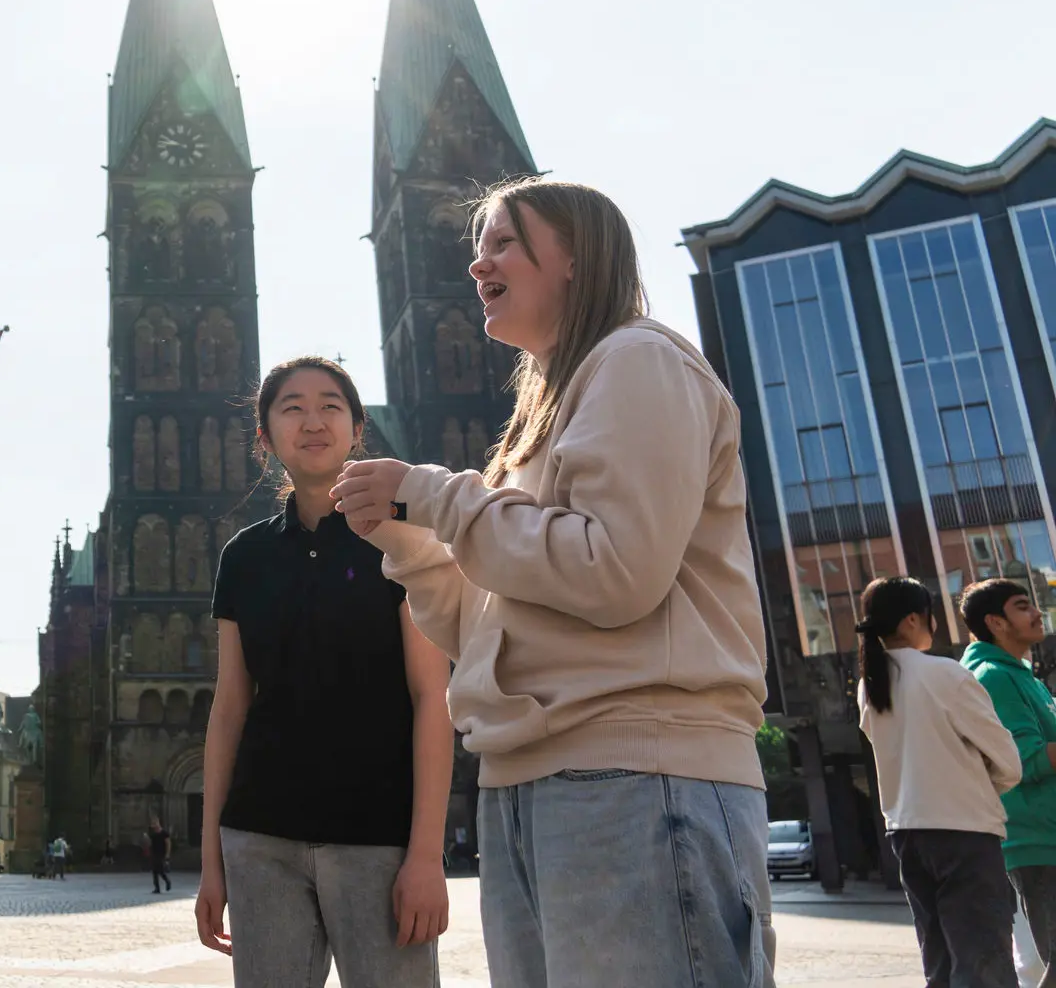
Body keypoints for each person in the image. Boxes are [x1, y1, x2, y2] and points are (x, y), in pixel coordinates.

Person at [333, 178, 775, 988]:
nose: (478, 265)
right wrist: (412, 544)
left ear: (575, 256)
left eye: (503, 242)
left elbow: (616, 572)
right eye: (480, 248)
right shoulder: (543, 415)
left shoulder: (638, 359)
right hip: (529, 782)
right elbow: (489, 629)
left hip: (636, 771)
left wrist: (434, 495)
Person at [198, 357, 452, 987]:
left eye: (330, 406)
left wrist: (426, 855)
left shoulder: (402, 538)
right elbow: (230, 710)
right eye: (293, 408)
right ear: (265, 436)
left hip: (379, 840)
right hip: (260, 839)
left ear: (357, 428)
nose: (312, 421)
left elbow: (431, 696)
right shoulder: (244, 556)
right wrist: (211, 860)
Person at [856, 575, 1020, 987]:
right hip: (964, 830)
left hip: (907, 832)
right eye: (930, 616)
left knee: (940, 962)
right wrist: (980, 784)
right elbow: (1008, 761)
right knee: (983, 960)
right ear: (913, 620)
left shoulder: (870, 684)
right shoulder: (946, 674)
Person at [960, 578, 1056, 985]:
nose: (1037, 613)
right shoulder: (993, 677)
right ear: (996, 623)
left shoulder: (1021, 675)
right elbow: (1024, 759)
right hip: (1038, 842)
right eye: (1022, 606)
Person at [147, 817, 173, 895]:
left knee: (160, 870)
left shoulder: (164, 833)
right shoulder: (152, 834)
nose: (154, 825)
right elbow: (150, 843)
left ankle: (167, 881)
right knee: (154, 871)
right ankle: (157, 888)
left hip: (162, 854)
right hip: (154, 853)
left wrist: (167, 854)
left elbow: (168, 844)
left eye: (155, 823)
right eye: (152, 824)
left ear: (158, 823)